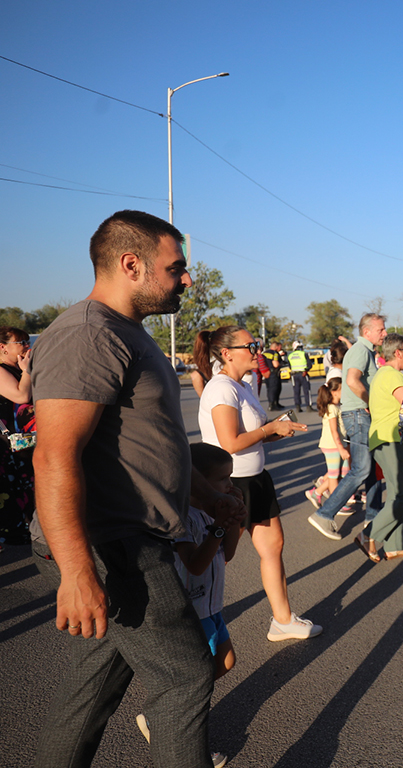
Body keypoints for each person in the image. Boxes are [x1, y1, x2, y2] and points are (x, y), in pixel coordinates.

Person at [30, 209, 244, 767]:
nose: (187, 279)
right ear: (132, 264)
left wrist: (209, 498)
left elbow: (152, 447)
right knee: (184, 677)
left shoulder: (127, 333)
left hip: (128, 538)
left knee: (94, 686)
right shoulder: (88, 333)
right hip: (114, 542)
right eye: (176, 268)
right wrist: (77, 571)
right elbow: (54, 457)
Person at [195, 325, 320, 643]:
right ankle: (193, 620)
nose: (257, 351)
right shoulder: (221, 388)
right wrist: (269, 430)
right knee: (216, 556)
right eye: (250, 346)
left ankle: (283, 620)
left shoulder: (243, 385)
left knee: (273, 546)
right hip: (230, 483)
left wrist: (277, 430)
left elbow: (253, 434)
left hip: (256, 479)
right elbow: (230, 442)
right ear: (227, 353)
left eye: (257, 345)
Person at [137, 442, 246, 767]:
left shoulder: (213, 515)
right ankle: (184, 737)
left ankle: (165, 712)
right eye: (222, 479)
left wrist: (234, 519)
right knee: (196, 682)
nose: (230, 484)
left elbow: (229, 553)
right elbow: (195, 564)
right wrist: (218, 526)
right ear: (197, 483)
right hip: (192, 611)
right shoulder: (182, 518)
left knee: (225, 662)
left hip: (212, 607)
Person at [308, 313, 387, 539]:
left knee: (370, 468)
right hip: (359, 415)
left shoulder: (363, 350)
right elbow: (352, 380)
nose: (384, 333)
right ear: (367, 332)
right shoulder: (361, 350)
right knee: (361, 469)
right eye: (381, 329)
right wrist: (370, 402)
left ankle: (372, 516)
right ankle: (324, 514)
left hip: (359, 415)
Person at [360, 333, 403, 562]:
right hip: (391, 440)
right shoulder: (394, 375)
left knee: (396, 494)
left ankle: (393, 546)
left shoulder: (382, 374)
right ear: (398, 353)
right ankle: (369, 534)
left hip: (384, 440)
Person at [0, 326, 34, 539]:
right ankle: (15, 530)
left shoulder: (22, 368)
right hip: (9, 443)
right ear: (3, 347)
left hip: (26, 439)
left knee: (30, 482)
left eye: (27, 341)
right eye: (21, 342)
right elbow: (21, 396)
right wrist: (27, 371)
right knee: (14, 485)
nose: (26, 346)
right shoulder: (2, 371)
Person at [305, 378, 352, 513]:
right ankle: (335, 503)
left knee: (342, 473)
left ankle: (317, 492)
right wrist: (341, 448)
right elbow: (333, 431)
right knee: (334, 475)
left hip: (338, 444)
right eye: (343, 389)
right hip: (332, 445)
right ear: (334, 392)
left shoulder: (337, 406)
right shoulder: (331, 408)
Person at [287, 341, 313, 412]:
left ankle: (298, 407)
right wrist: (306, 370)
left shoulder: (290, 355)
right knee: (307, 391)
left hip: (294, 375)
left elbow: (290, 366)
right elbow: (309, 365)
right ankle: (308, 407)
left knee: (296, 392)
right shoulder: (304, 354)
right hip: (303, 374)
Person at [264, 340, 286, 410]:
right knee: (275, 389)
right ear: (277, 347)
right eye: (280, 347)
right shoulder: (275, 353)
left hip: (267, 372)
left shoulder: (265, 353)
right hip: (274, 373)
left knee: (270, 389)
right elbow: (275, 364)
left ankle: (273, 404)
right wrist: (281, 364)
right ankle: (273, 405)